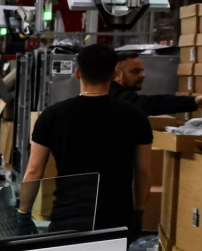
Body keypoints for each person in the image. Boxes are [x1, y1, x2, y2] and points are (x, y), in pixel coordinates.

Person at [21, 43, 152, 234]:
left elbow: (34, 171)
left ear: (78, 73)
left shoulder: (52, 116)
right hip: (115, 219)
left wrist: (23, 214)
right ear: (114, 75)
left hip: (67, 218)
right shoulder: (136, 116)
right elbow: (143, 172)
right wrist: (138, 213)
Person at [112, 51, 202, 116]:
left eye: (142, 71)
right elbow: (151, 104)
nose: (142, 75)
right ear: (117, 75)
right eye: (135, 71)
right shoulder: (114, 96)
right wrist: (193, 101)